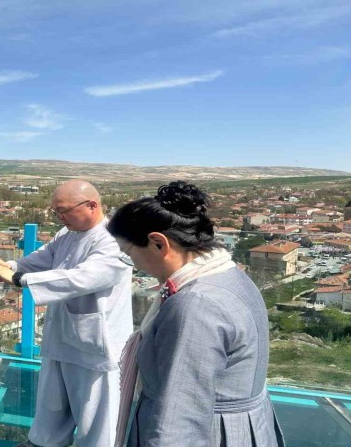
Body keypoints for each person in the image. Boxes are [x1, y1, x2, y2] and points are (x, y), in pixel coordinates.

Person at [107, 181, 285, 447]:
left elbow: (179, 419)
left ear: (158, 243)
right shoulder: (227, 273)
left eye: (128, 252)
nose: (131, 264)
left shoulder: (195, 304)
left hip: (211, 434)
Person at [0, 179, 133, 447]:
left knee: (95, 412)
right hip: (62, 334)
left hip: (96, 341)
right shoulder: (67, 233)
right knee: (52, 400)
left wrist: (19, 279)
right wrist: (6, 264)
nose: (59, 217)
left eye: (63, 210)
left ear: (91, 205)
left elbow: (82, 279)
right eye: (55, 212)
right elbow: (40, 259)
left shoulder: (115, 239)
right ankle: (43, 443)